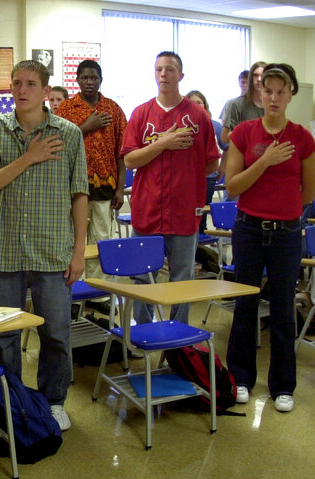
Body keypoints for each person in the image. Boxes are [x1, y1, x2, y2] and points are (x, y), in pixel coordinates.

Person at [0, 60, 89, 430]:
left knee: (55, 332)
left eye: (30, 84)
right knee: (5, 333)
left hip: (52, 251)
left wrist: (78, 252)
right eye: (17, 83)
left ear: (44, 90)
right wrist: (29, 157)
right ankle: (13, 398)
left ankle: (54, 400)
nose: (22, 90)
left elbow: (80, 196)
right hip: (6, 252)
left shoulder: (69, 134)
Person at [223, 63, 315, 413]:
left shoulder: (302, 137)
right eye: (268, 90)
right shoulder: (245, 133)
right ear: (259, 94)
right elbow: (233, 187)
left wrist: (283, 206)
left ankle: (283, 385)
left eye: (281, 91)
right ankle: (241, 378)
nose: (274, 97)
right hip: (248, 229)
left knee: (282, 310)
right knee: (245, 305)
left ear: (290, 95)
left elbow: (308, 192)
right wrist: (265, 161)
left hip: (286, 234)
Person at [120, 52, 219, 324]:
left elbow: (211, 164)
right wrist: (162, 144)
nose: (164, 74)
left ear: (181, 76)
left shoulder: (198, 116)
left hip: (184, 212)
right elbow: (130, 160)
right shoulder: (141, 114)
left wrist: (186, 175)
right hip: (147, 209)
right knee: (143, 276)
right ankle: (141, 331)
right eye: (159, 69)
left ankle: (180, 342)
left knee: (182, 278)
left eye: (170, 69)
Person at [55, 60, 127, 282]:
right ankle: (75, 292)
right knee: (74, 241)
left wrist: (120, 189)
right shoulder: (66, 109)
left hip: (105, 188)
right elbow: (57, 143)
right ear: (77, 80)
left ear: (100, 80)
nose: (89, 82)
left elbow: (121, 152)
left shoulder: (113, 109)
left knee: (100, 241)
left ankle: (98, 295)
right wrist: (87, 126)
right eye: (84, 78)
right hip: (74, 188)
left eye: (93, 78)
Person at [186, 90, 228, 235]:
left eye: (199, 102)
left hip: (208, 177)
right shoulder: (181, 125)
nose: (196, 106)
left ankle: (201, 242)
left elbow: (228, 147)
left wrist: (222, 168)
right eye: (192, 102)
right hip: (187, 178)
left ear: (205, 105)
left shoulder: (214, 125)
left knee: (202, 212)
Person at [219, 61, 267, 144]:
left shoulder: (272, 105)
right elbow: (225, 137)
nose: (259, 79)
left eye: (262, 76)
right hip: (243, 154)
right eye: (255, 75)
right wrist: (248, 131)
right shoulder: (235, 104)